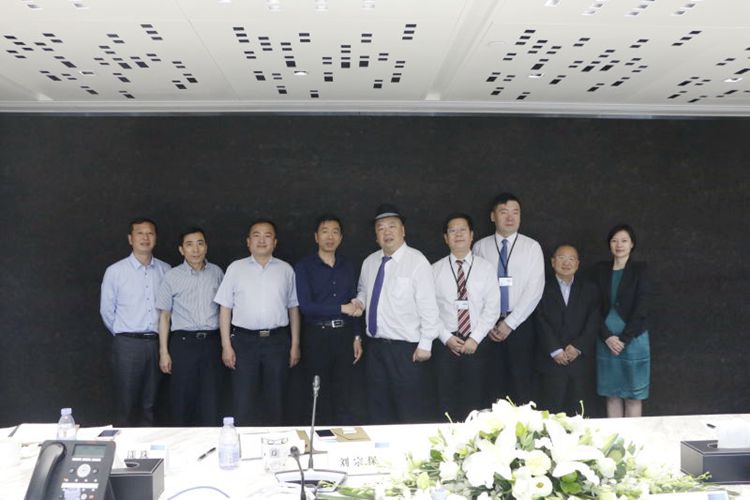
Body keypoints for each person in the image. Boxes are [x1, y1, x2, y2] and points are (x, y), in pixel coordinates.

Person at [354, 204, 441, 424]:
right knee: (378, 410)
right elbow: (364, 290)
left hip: (406, 351)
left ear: (403, 231)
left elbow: (429, 306)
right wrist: (359, 302)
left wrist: (426, 344)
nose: (387, 232)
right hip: (375, 349)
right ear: (376, 236)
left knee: (408, 411)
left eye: (392, 226)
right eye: (381, 228)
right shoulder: (369, 262)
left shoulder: (417, 262)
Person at [213, 219, 301, 425]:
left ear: (275, 242)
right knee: (243, 400)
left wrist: (295, 344)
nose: (262, 240)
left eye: (267, 235)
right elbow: (225, 308)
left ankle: (276, 442)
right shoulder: (236, 268)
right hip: (244, 342)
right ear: (248, 242)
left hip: (277, 342)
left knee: (276, 399)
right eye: (257, 235)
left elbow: (293, 309)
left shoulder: (286, 270)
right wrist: (226, 346)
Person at [473, 193, 544, 405]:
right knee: (490, 384)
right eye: (504, 212)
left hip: (520, 324)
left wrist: (510, 323)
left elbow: (534, 289)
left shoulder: (531, 247)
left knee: (521, 384)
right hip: (487, 325)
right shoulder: (480, 247)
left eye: (515, 212)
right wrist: (488, 323)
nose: (510, 217)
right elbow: (475, 288)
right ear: (493, 216)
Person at [100, 217, 171, 426]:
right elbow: (107, 311)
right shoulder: (115, 271)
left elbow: (169, 310)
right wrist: (125, 334)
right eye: (140, 233)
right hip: (127, 344)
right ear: (130, 239)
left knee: (152, 404)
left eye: (150, 233)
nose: (145, 238)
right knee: (127, 402)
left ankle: (149, 446)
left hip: (158, 344)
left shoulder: (166, 270)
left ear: (156, 238)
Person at [295, 214, 363, 424]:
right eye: (325, 232)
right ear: (316, 237)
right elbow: (306, 307)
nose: (330, 237)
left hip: (344, 336)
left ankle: (344, 438)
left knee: (345, 392)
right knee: (317, 393)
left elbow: (354, 303)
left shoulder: (347, 266)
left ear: (341, 238)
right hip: (316, 335)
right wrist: (341, 308)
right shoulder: (304, 266)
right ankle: (317, 438)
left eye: (335, 232)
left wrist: (357, 336)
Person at [432, 213, 500, 421]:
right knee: (445, 401)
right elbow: (429, 310)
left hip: (478, 343)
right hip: (446, 345)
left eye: (463, 230)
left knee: (476, 401)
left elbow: (492, 307)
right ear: (446, 238)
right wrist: (446, 338)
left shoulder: (486, 268)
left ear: (472, 235)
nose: (458, 234)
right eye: (452, 231)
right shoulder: (434, 270)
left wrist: (475, 339)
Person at [155, 227, 224, 426]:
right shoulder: (172, 276)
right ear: (181, 249)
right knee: (182, 398)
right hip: (183, 343)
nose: (195, 249)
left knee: (212, 398)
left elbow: (225, 309)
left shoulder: (217, 272)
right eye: (189, 245)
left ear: (206, 247)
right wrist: (164, 352)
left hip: (212, 342)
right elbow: (164, 316)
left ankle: (211, 441)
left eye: (200, 244)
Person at [592, 224, 650, 418]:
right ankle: (614, 437)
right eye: (614, 241)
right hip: (606, 341)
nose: (619, 245)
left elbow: (642, 307)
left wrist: (624, 339)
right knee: (612, 395)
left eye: (624, 241)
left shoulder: (641, 270)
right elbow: (592, 307)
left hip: (634, 340)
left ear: (632, 244)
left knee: (633, 396)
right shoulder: (599, 270)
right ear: (609, 244)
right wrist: (607, 337)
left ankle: (633, 437)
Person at [534, 244, 599, 416]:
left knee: (581, 415)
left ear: (577, 264)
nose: (566, 262)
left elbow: (594, 320)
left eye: (571, 259)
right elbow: (539, 320)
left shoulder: (590, 289)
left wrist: (578, 347)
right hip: (551, 362)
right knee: (550, 415)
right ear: (552, 262)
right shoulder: (540, 287)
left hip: (580, 363)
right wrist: (555, 349)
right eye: (561, 258)